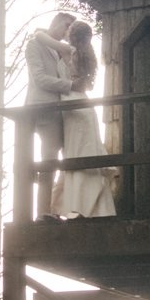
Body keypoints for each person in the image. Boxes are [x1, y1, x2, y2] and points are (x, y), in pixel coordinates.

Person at [53, 20, 116, 218]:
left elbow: (40, 36)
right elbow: (86, 85)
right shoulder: (86, 55)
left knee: (75, 152)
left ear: (72, 34)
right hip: (84, 104)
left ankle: (78, 205)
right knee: (86, 149)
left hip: (71, 102)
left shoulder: (67, 50)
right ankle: (95, 206)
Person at [24, 11, 77, 215]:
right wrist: (70, 85)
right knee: (49, 159)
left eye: (71, 28)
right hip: (44, 109)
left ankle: (59, 207)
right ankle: (43, 212)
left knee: (68, 157)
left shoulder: (59, 50)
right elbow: (39, 79)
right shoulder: (34, 45)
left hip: (62, 111)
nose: (67, 31)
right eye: (66, 25)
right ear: (55, 23)